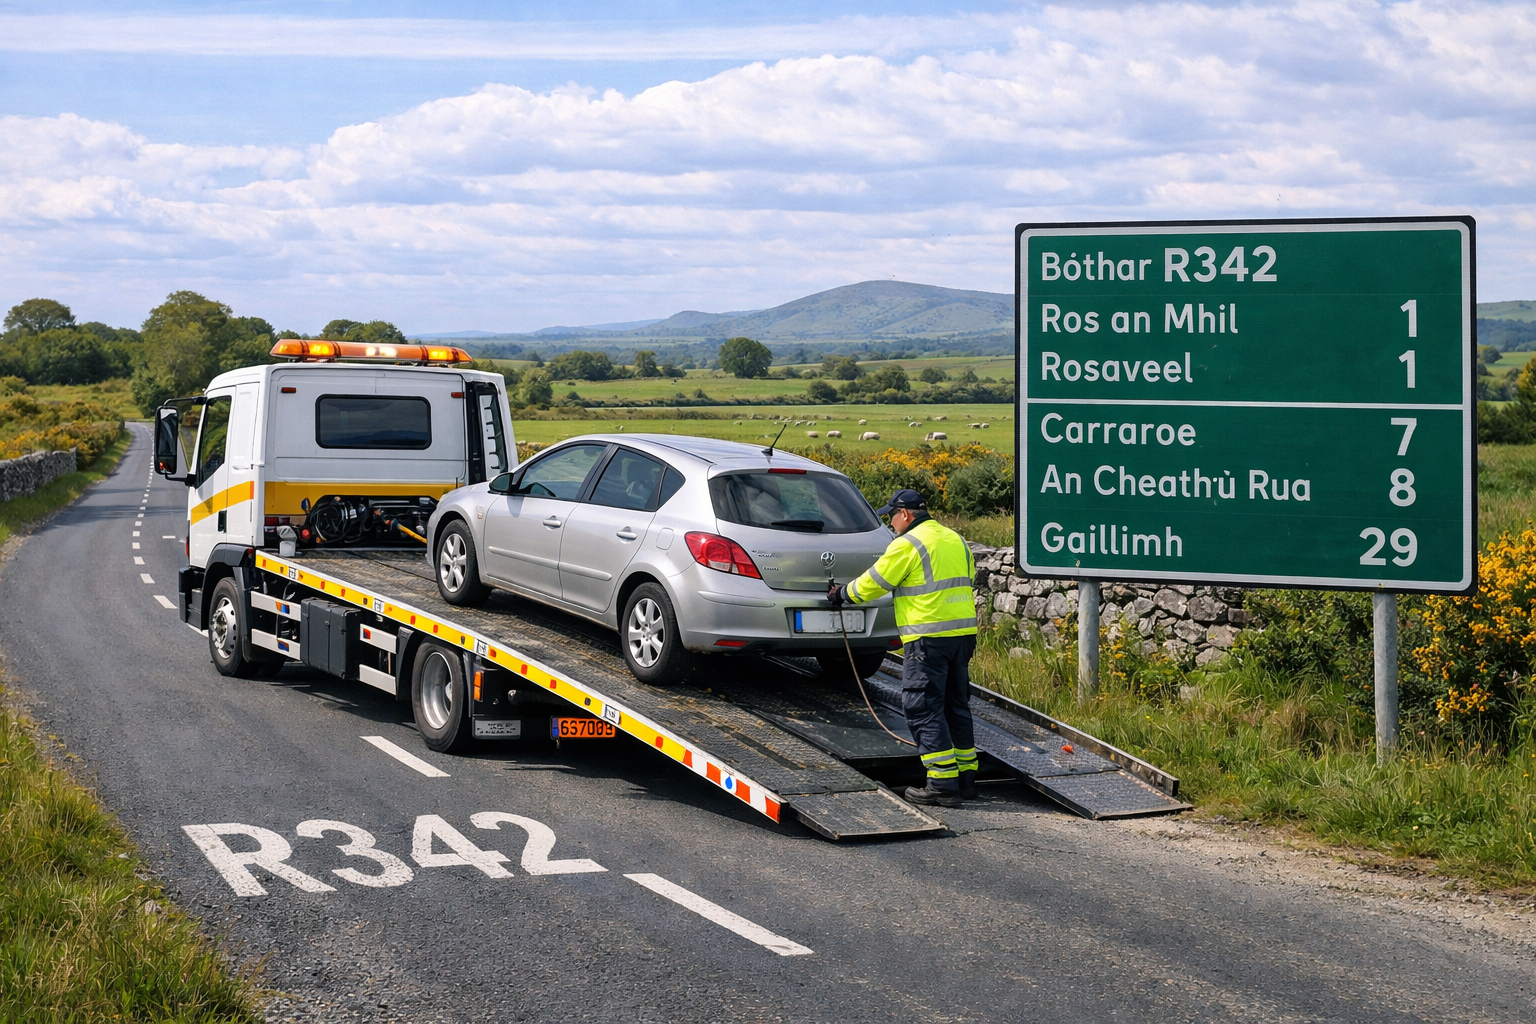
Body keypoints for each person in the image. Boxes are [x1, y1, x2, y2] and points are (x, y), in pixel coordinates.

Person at [828, 489, 978, 807]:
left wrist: (841, 594)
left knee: (923, 707)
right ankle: (966, 779)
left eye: (891, 517)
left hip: (927, 638)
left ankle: (941, 783)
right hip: (963, 635)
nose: (891, 525)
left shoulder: (908, 544)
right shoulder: (955, 539)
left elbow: (874, 582)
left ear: (905, 514)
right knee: (956, 705)